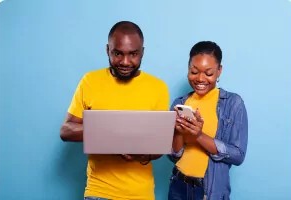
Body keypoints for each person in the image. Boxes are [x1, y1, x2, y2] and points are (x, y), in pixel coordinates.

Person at [60, 21, 170, 200]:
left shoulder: (158, 88)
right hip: (99, 193)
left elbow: (158, 148)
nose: (125, 62)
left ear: (142, 52)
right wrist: (112, 137)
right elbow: (66, 131)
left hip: (141, 195)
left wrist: (139, 153)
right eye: (117, 53)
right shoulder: (90, 81)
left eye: (133, 54)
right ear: (107, 50)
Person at [167, 41, 248, 200]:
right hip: (178, 186)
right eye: (194, 71)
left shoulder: (233, 103)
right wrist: (178, 133)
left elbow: (238, 155)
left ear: (219, 71)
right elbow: (173, 156)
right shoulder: (180, 103)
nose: (200, 79)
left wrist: (199, 136)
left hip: (208, 191)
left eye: (208, 73)